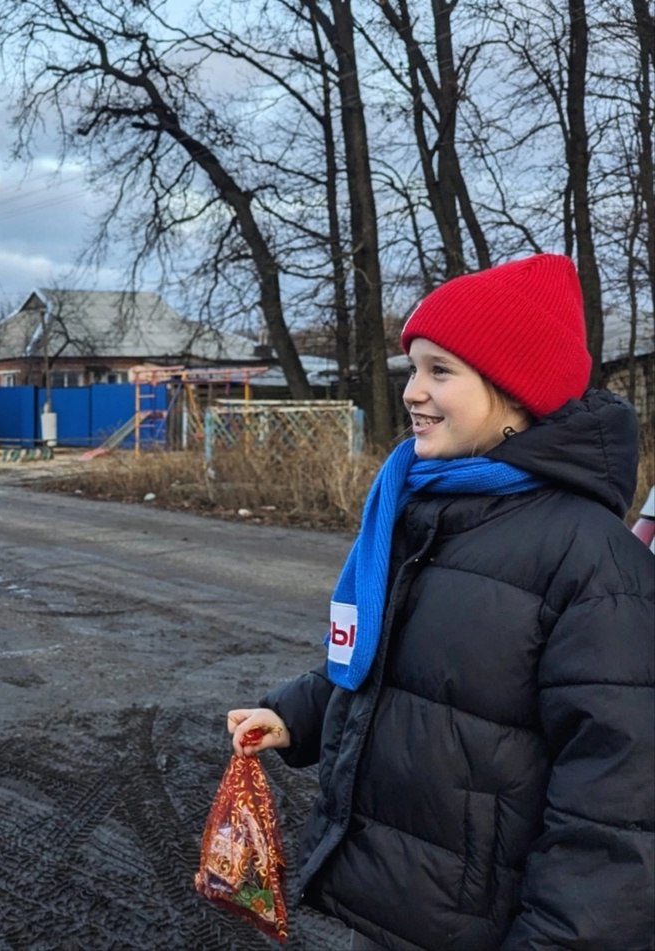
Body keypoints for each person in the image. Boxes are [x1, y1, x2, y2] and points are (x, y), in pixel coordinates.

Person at [226, 254, 654, 949]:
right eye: (413, 368)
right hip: (399, 908)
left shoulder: (594, 562)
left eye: (441, 371)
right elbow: (399, 668)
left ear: (515, 391)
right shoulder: (425, 508)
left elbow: (617, 811)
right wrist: (295, 712)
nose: (413, 392)